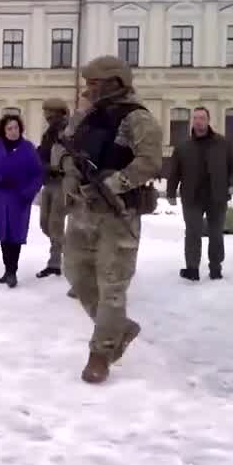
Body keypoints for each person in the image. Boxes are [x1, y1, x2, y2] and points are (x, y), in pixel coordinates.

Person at [53, 56, 163, 385]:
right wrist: (71, 177)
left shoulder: (137, 119)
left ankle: (100, 354)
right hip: (84, 211)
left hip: (119, 213)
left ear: (115, 82)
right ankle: (120, 329)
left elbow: (150, 162)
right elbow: (63, 151)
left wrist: (114, 184)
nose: (88, 89)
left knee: (112, 286)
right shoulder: (87, 117)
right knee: (75, 273)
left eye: (94, 84)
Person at [165, 107, 233, 281]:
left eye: (202, 118)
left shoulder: (223, 144)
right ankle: (192, 269)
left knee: (216, 233)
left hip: (217, 196)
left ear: (208, 120)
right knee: (193, 233)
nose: (198, 121)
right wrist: (171, 192)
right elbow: (174, 171)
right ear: (192, 121)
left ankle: (216, 268)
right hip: (192, 197)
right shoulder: (183, 146)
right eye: (196, 118)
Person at [0, 114, 44, 288]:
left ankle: (12, 271)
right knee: (2, 234)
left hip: (19, 198)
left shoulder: (28, 148)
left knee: (15, 235)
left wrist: (28, 191)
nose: (13, 131)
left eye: (16, 128)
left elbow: (37, 174)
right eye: (10, 128)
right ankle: (7, 270)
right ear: (3, 130)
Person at [35, 98, 70, 279]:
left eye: (49, 112)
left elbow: (67, 158)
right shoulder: (49, 133)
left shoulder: (66, 131)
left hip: (61, 182)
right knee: (44, 223)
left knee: (55, 224)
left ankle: (55, 263)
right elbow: (43, 154)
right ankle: (68, 248)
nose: (46, 115)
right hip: (48, 182)